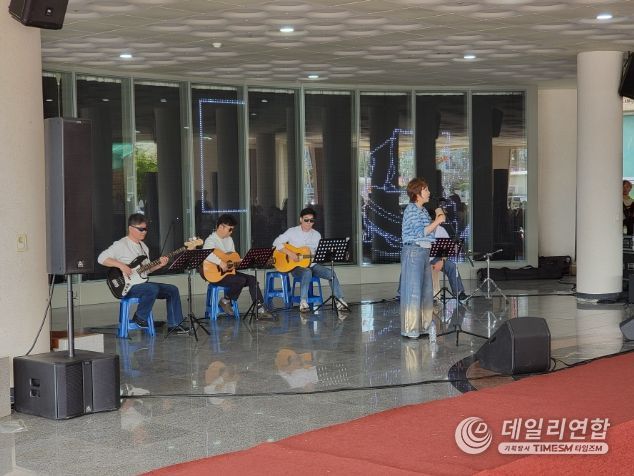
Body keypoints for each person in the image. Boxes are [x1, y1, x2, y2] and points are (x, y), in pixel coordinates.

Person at [98, 213, 188, 334]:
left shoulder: (144, 247)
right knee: (151, 288)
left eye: (145, 229)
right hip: (127, 287)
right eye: (141, 229)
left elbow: (146, 270)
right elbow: (101, 258)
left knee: (172, 290)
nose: (144, 232)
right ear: (131, 228)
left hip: (142, 284)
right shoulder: (121, 244)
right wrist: (121, 265)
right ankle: (140, 318)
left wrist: (160, 265)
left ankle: (175, 324)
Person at [273, 207, 349, 313]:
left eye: (311, 220)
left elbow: (320, 252)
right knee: (307, 272)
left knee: (331, 273)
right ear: (301, 219)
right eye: (306, 220)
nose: (309, 223)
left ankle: (339, 300)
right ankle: (303, 302)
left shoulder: (317, 235)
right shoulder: (292, 231)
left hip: (313, 265)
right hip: (296, 267)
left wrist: (328, 254)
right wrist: (290, 253)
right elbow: (276, 242)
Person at [203, 214, 272, 318]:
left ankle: (260, 309)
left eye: (232, 229)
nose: (231, 232)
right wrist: (220, 263)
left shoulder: (229, 240)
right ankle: (226, 300)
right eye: (230, 229)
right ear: (221, 227)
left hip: (229, 273)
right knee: (240, 280)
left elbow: (233, 258)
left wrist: (246, 261)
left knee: (252, 279)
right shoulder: (211, 240)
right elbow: (205, 254)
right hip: (216, 276)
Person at [400, 178, 445, 339]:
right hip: (413, 251)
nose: (429, 192)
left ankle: (424, 327)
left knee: (426, 291)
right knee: (413, 291)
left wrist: (437, 219)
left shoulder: (423, 210)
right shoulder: (411, 209)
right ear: (417, 193)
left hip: (425, 251)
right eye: (426, 190)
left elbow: (429, 233)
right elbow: (420, 232)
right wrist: (438, 220)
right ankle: (411, 329)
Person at [431, 224, 468, 301]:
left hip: (436, 257)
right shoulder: (423, 228)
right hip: (423, 257)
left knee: (452, 266)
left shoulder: (441, 230)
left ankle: (459, 292)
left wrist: (442, 260)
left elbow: (447, 248)